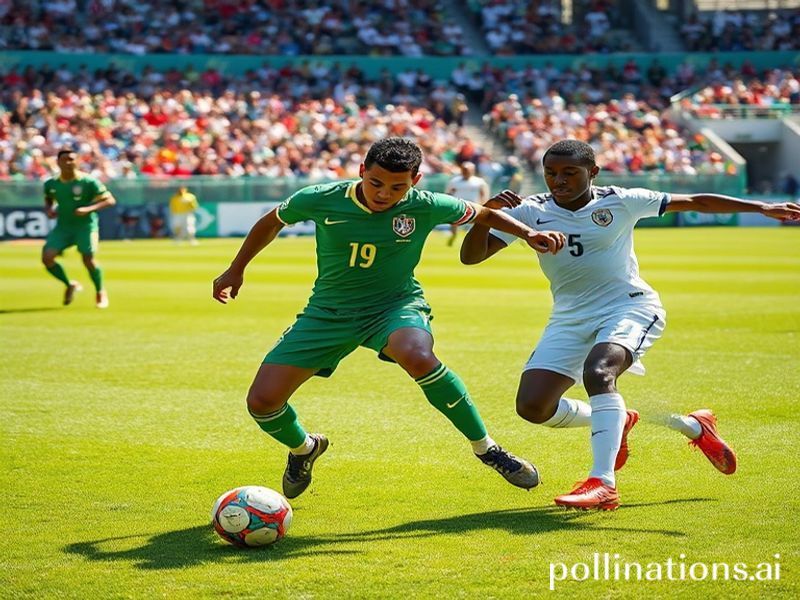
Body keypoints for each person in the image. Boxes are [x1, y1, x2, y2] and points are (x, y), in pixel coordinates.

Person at [212, 137, 565, 500]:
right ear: (362, 171)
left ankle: (487, 448)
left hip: (395, 306)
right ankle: (305, 449)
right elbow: (271, 222)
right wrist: (235, 270)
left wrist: (529, 233)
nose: (384, 194)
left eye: (398, 187)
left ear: (415, 180)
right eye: (376, 183)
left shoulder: (425, 205)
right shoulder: (319, 197)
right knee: (262, 403)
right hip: (328, 313)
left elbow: (485, 214)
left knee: (418, 356)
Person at [461, 139, 800, 510]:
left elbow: (698, 201)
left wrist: (763, 207)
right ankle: (687, 426)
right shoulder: (529, 211)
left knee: (599, 371)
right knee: (533, 407)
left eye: (569, 173)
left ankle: (602, 483)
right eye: (551, 173)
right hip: (569, 316)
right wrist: (484, 216)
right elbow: (471, 257)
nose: (558, 180)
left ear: (592, 173)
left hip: (629, 307)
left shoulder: (620, 199)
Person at [42, 149, 116, 308]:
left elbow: (110, 200)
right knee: (47, 258)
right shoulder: (51, 184)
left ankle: (100, 291)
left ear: (78, 161)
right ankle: (69, 285)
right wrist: (49, 209)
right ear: (58, 162)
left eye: (72, 159)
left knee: (88, 259)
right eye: (65, 160)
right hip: (63, 227)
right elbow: (49, 198)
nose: (69, 162)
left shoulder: (88, 181)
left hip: (85, 226)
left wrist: (89, 209)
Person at [445, 161, 490, 246]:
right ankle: (453, 236)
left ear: (473, 170)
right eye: (464, 170)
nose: (466, 172)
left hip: (474, 207)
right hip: (458, 206)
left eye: (468, 170)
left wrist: (483, 205)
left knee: (476, 225)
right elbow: (449, 193)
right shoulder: (454, 181)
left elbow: (484, 194)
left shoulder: (479, 182)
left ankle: (474, 242)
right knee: (454, 222)